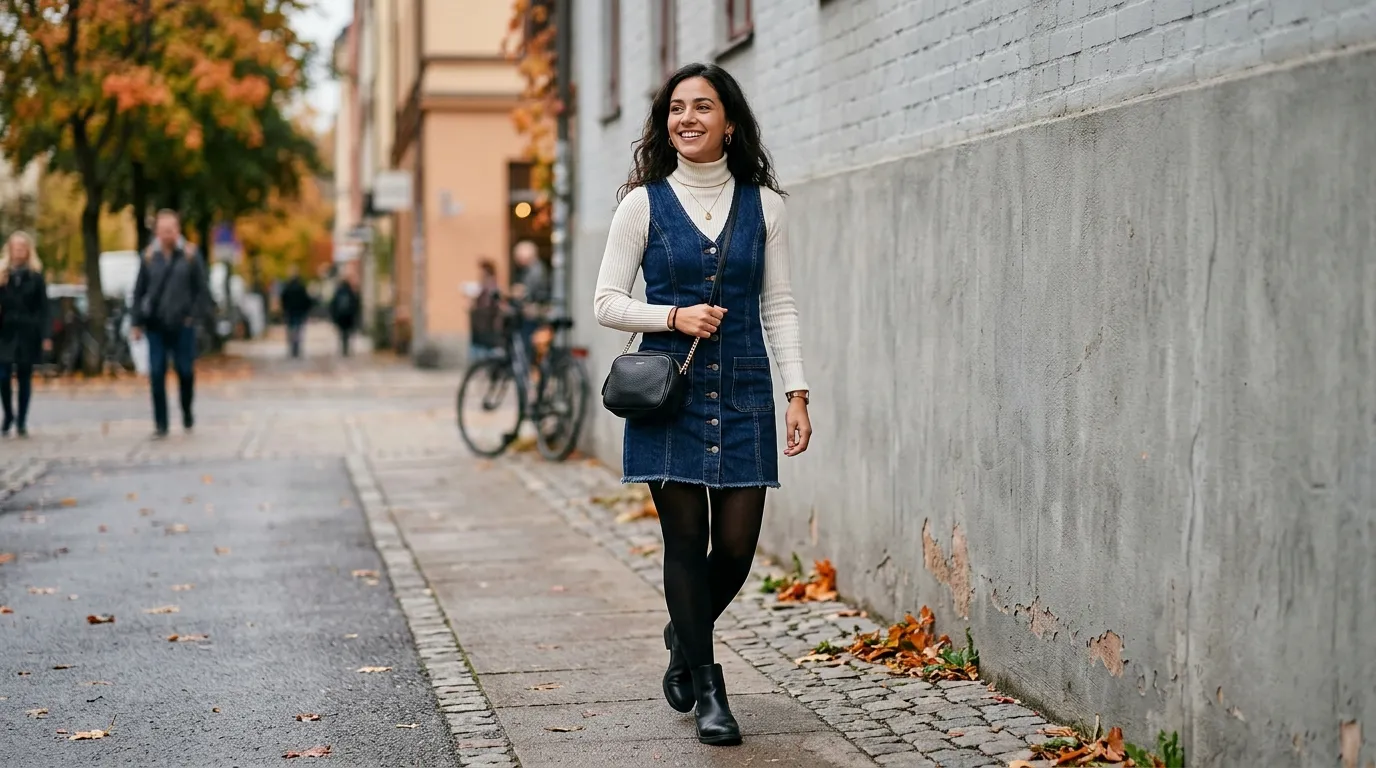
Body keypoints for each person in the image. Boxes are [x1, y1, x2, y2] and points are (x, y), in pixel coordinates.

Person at [593, 63, 813, 746]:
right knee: (685, 543)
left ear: (731, 121)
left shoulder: (765, 206)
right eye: (676, 108)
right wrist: (673, 316)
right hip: (672, 391)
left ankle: (682, 631)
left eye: (703, 106)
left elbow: (777, 306)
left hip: (745, 386)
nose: (687, 118)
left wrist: (796, 390)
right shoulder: (642, 204)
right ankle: (710, 688)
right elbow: (606, 303)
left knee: (739, 547)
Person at [131, 210, 211, 437]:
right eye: (164, 230)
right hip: (155, 325)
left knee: (185, 371)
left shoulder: (190, 255)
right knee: (157, 373)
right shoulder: (148, 257)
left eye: (172, 229)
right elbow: (138, 292)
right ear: (157, 231)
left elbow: (202, 291)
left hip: (182, 325)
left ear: (178, 230)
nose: (168, 234)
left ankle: (186, 410)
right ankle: (161, 423)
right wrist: (136, 323)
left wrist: (193, 316)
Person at [0, 232, 50, 437]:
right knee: (2, 375)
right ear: (9, 250)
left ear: (28, 251)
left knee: (24, 376)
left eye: (23, 247)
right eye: (15, 247)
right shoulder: (3, 275)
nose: (19, 251)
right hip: (5, 332)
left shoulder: (36, 277)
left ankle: (21, 420)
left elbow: (44, 308)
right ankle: (8, 413)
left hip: (28, 332)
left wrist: (46, 335)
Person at [468, 258, 504, 362]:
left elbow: (487, 306)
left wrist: (473, 305)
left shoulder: (490, 287)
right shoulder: (487, 286)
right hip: (484, 325)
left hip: (486, 326)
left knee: (484, 355)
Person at [280, 267, 313, 358]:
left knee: (291, 330)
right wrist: (306, 310)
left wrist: (284, 310)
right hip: (299, 313)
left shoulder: (287, 287)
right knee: (298, 330)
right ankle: (297, 347)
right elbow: (307, 301)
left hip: (290, 313)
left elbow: (283, 300)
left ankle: (292, 347)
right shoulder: (301, 287)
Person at [329, 272, 359, 357]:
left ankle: (343, 347)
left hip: (340, 316)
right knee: (347, 332)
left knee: (342, 333)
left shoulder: (338, 292)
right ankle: (346, 347)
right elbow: (355, 304)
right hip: (348, 316)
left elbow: (333, 304)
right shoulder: (351, 292)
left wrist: (334, 317)